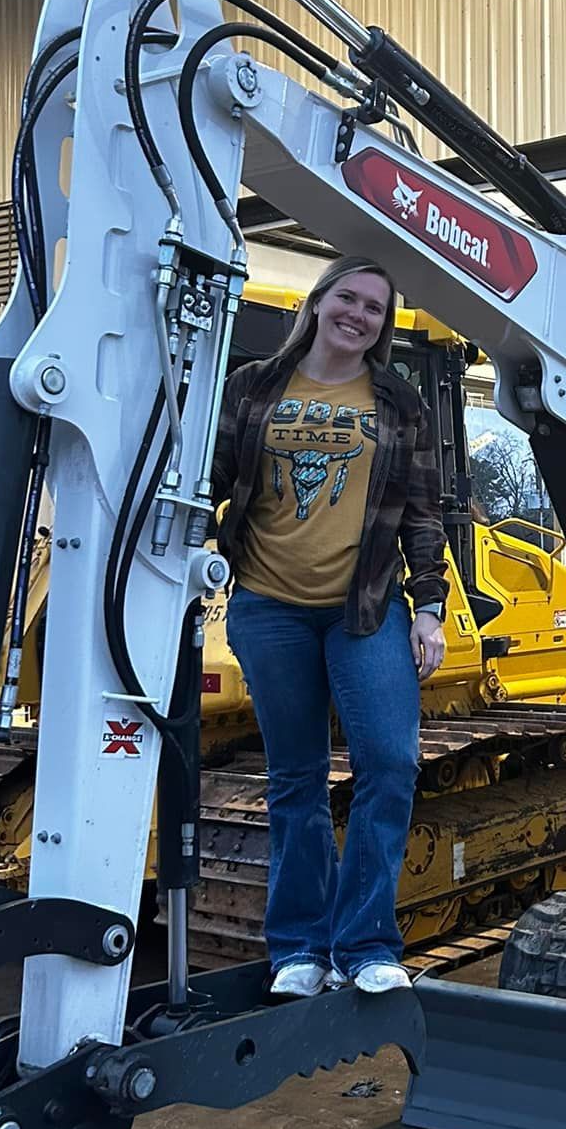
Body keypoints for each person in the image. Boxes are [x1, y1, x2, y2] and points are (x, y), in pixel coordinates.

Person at [212, 256, 449, 996]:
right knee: (296, 779)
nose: (359, 314)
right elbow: (208, 479)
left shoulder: (398, 402)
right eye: (348, 297)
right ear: (318, 303)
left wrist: (433, 606)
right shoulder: (252, 387)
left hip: (367, 608)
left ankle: (368, 945)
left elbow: (422, 510)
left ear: (382, 327)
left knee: (388, 763)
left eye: (375, 308)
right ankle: (299, 952)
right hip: (267, 608)